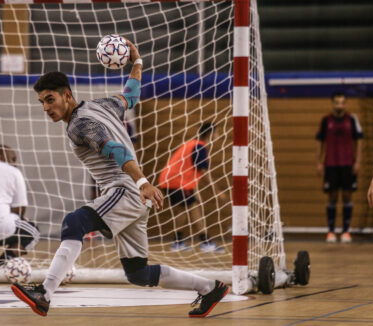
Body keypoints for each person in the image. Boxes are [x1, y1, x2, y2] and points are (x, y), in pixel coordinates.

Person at [11, 39, 228, 318]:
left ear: (67, 95)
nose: (45, 107)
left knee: (73, 223)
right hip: (134, 197)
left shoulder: (79, 124)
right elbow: (132, 94)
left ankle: (44, 293)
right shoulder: (105, 104)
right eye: (42, 102)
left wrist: (141, 183)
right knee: (138, 273)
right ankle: (209, 287)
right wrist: (137, 63)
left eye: (50, 99)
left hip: (125, 190)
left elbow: (115, 150)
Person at [159, 122, 229, 253]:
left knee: (187, 208)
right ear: (211, 134)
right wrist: (217, 192)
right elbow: (204, 173)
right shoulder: (199, 147)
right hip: (176, 181)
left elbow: (190, 170)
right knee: (191, 208)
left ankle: (181, 242)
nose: (219, 135)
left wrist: (195, 191)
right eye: (218, 132)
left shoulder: (194, 145)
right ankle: (204, 242)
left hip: (173, 180)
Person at [316, 91, 363, 243]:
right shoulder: (325, 121)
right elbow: (320, 142)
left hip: (348, 164)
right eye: (337, 102)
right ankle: (330, 231)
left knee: (347, 196)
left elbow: (359, 141)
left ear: (346, 103)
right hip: (331, 164)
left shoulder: (352, 120)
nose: (340, 105)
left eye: (342, 102)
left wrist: (358, 161)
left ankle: (346, 231)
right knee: (332, 196)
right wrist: (319, 162)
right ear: (333, 103)